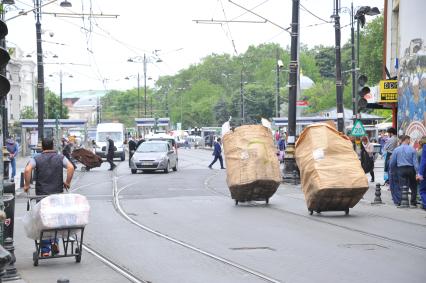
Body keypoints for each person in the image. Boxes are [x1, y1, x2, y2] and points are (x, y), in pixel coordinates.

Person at [23, 138, 75, 257]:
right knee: (56, 219)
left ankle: (45, 250)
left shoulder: (36, 158)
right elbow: (71, 167)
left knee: (43, 221)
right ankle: (54, 241)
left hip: (42, 195)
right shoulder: (60, 157)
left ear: (42, 147)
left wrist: (26, 184)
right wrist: (67, 182)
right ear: (53, 146)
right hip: (57, 194)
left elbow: (27, 169)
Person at [389, 135, 419, 207]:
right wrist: (417, 173)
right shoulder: (412, 149)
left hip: (401, 169)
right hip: (411, 169)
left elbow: (392, 162)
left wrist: (392, 170)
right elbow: (415, 162)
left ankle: (402, 201)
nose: (410, 141)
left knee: (402, 186)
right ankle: (413, 201)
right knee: (413, 186)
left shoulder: (396, 150)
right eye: (409, 140)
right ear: (406, 140)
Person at [416, 136, 426, 210]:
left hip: (424, 174)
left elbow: (423, 161)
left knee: (422, 190)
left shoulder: (424, 148)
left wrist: (420, 174)